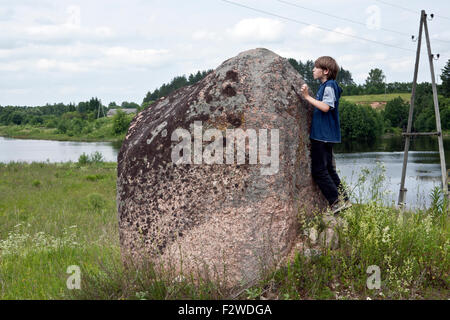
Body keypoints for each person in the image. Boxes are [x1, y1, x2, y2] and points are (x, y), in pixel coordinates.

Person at [300, 56, 351, 215]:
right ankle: (345, 199)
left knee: (319, 171)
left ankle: (335, 202)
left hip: (322, 135)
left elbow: (326, 107)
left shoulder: (329, 86)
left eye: (316, 67)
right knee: (329, 169)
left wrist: (307, 97)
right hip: (327, 135)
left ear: (326, 71)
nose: (313, 70)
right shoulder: (328, 86)